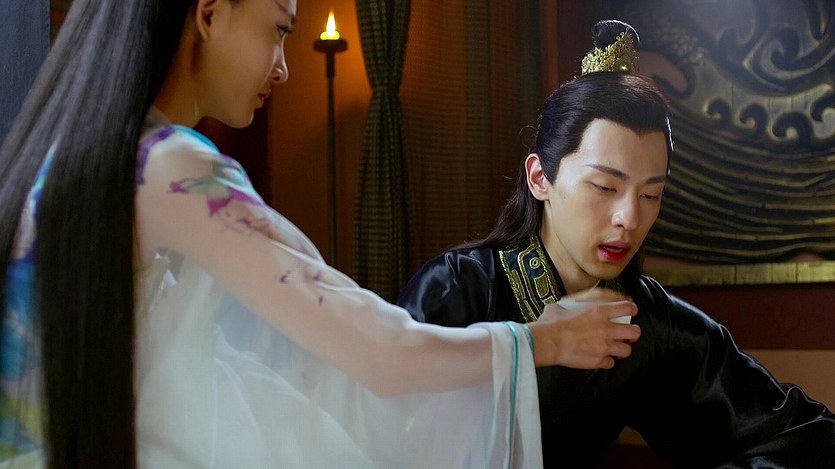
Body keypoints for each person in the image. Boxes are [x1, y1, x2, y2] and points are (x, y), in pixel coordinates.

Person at [0, 1, 643, 467]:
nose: (283, 68)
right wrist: (540, 340)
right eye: (279, 30)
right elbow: (378, 351)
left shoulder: (79, 159)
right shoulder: (171, 168)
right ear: (210, 13)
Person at [397, 20, 835, 469]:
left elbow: (806, 435)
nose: (630, 218)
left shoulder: (649, 322)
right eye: (605, 187)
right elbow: (388, 432)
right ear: (540, 177)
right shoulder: (458, 288)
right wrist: (530, 347)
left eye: (651, 195)